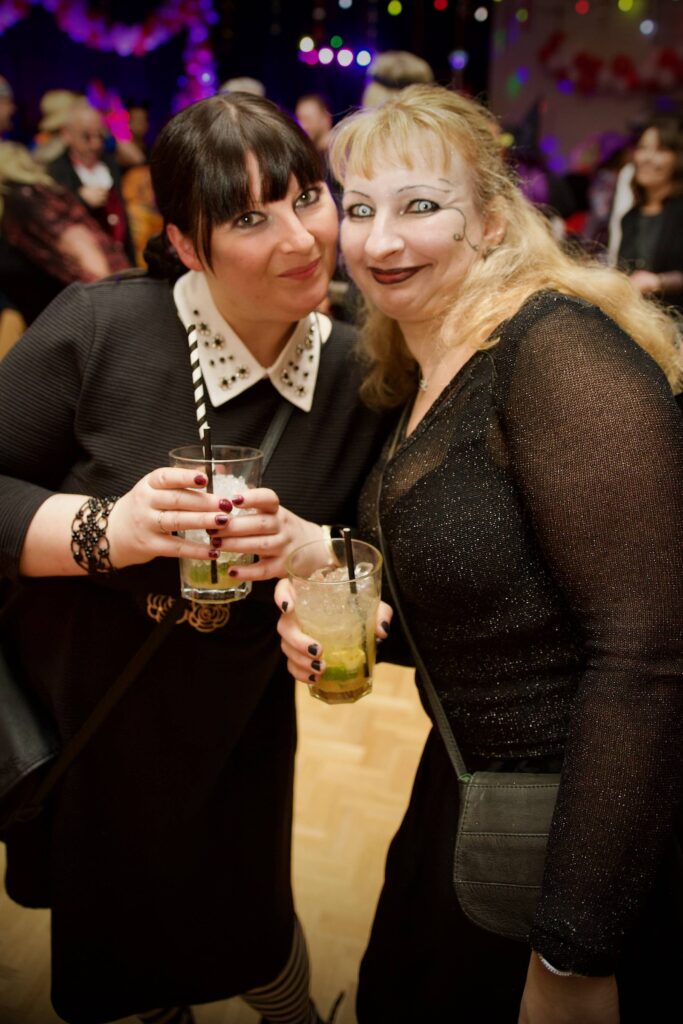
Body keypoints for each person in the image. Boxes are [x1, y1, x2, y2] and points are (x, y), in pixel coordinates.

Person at [277, 85, 683, 1023]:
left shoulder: (555, 351)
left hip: (585, 827)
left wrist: (574, 951)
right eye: (361, 209)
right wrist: (351, 605)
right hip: (468, 793)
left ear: (493, 221)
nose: (381, 242)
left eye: (421, 206)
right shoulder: (421, 362)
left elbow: (651, 654)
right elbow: (490, 593)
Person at [0, 92, 387, 1024]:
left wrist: (319, 581)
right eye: (248, 218)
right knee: (128, 946)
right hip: (92, 708)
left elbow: (373, 545)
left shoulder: (361, 374)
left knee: (253, 921)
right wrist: (109, 530)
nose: (300, 237)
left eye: (306, 197)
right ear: (183, 242)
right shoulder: (100, 328)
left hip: (237, 721)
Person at [0, 142, 129, 324]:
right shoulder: (22, 198)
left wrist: (113, 299)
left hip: (83, 309)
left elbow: (78, 245)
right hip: (65, 309)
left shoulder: (25, 198)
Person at [48, 98, 135, 264]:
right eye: (86, 137)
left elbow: (138, 159)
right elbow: (55, 223)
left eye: (100, 136)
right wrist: (80, 200)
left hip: (121, 261)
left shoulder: (110, 164)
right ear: (67, 135)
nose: (95, 144)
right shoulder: (57, 171)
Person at [617, 113, 683, 312]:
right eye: (642, 148)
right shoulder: (630, 217)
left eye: (660, 150)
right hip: (638, 319)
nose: (646, 158)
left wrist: (659, 281)